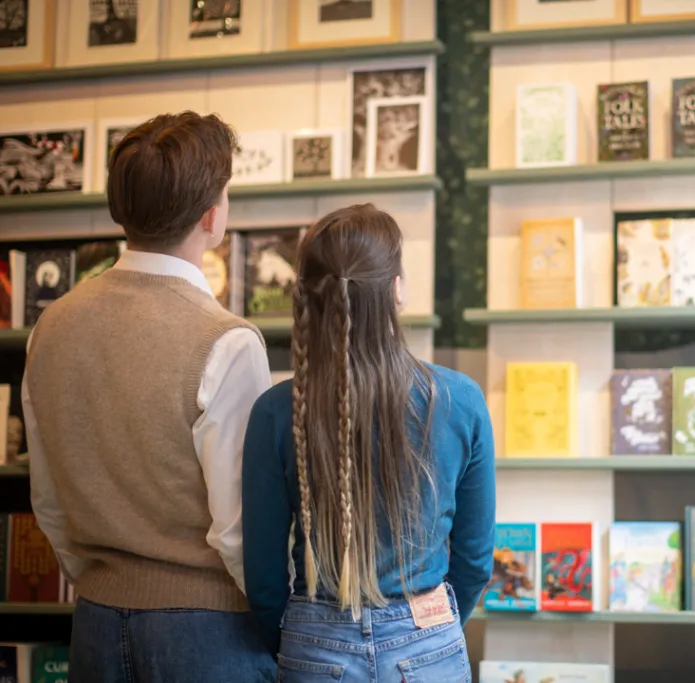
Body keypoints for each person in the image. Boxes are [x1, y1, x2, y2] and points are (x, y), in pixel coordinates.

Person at [24, 111, 277, 682]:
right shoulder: (228, 340)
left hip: (93, 622)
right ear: (213, 216)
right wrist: (278, 624)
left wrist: (105, 579)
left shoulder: (51, 327)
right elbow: (241, 529)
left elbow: (49, 504)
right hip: (210, 632)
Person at [242, 204, 496, 681]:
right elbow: (475, 560)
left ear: (308, 297)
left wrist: (302, 639)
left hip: (314, 642)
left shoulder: (275, 411)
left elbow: (263, 578)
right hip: (429, 641)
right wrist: (430, 631)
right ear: (396, 289)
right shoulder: (460, 400)